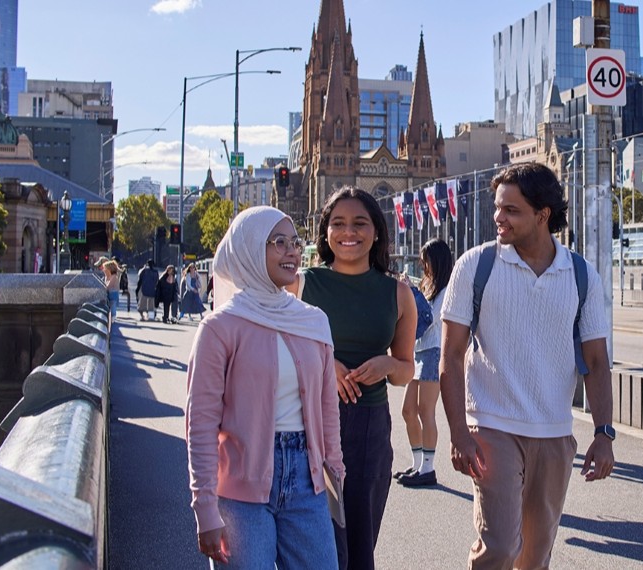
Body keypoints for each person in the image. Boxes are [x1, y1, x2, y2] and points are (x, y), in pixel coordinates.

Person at [439, 162, 614, 569]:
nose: (499, 218)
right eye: (498, 208)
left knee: (534, 558)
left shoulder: (581, 275)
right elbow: (449, 355)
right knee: (499, 547)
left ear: (543, 215)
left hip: (554, 433)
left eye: (511, 210)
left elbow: (596, 362)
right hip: (493, 426)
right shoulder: (476, 265)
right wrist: (459, 432)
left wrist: (604, 433)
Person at [186, 205, 343, 568]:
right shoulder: (219, 328)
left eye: (295, 242)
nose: (292, 251)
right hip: (241, 486)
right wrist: (205, 508)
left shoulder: (313, 321)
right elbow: (201, 424)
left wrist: (335, 470)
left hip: (308, 481)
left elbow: (326, 407)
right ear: (250, 249)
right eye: (278, 242)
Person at [288, 187, 416, 570]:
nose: (349, 232)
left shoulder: (398, 292)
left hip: (368, 431)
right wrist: (328, 366)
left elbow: (406, 369)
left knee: (359, 546)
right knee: (314, 545)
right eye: (338, 223)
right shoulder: (300, 285)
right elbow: (276, 357)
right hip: (304, 424)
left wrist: (388, 365)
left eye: (360, 223)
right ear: (325, 231)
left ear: (376, 231)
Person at [396, 239, 453, 488]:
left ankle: (428, 469)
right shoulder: (429, 286)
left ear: (436, 262)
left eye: (426, 260)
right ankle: (418, 462)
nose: (423, 265)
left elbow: (429, 319)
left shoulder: (447, 290)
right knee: (408, 410)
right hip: (420, 351)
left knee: (424, 410)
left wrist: (413, 293)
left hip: (433, 352)